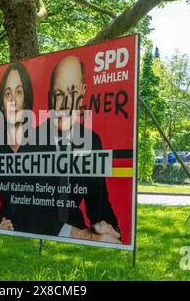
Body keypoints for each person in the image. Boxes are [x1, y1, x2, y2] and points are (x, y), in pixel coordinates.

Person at [34, 55, 122, 244]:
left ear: (83, 92)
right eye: (58, 94)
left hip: (77, 227)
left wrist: (114, 233)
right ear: (50, 96)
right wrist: (76, 234)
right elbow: (25, 209)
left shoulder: (92, 141)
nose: (65, 104)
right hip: (41, 232)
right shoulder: (30, 140)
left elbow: (98, 202)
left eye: (72, 92)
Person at [0, 62, 34, 231]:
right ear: (2, 106)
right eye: (7, 94)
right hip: (8, 231)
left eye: (18, 92)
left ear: (25, 100)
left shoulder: (41, 142)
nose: (12, 101)